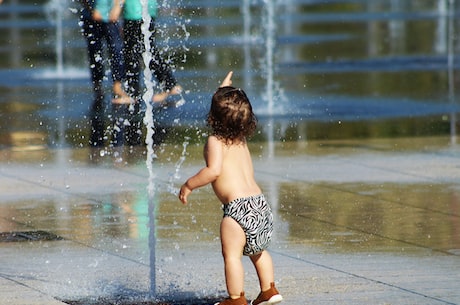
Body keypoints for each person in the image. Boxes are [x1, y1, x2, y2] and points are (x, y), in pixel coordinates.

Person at [178, 72, 283, 305]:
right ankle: (269, 290)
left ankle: (235, 299)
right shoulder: (240, 138)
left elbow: (213, 171)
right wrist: (223, 89)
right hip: (259, 204)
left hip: (237, 210)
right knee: (259, 252)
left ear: (213, 117)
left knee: (232, 257)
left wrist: (189, 185)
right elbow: (228, 109)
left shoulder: (215, 141)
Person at [77, 0, 131, 147]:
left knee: (116, 51)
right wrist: (88, 7)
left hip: (109, 15)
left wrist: (116, 7)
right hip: (90, 16)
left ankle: (117, 86)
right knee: (94, 54)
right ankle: (98, 86)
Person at [123, 0, 182, 104]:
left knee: (133, 54)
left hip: (135, 11)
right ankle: (169, 84)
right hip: (145, 9)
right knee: (147, 51)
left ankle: (133, 94)